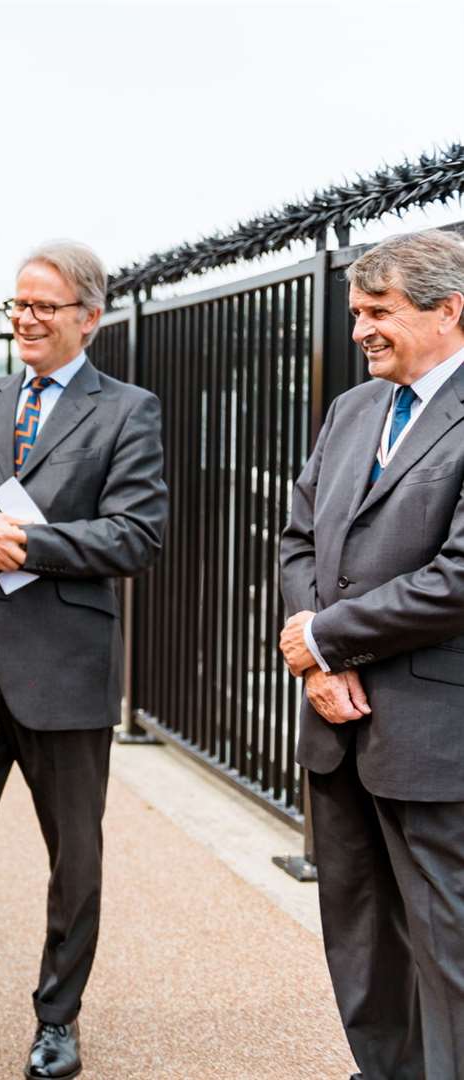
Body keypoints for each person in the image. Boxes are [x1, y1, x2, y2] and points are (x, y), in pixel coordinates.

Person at [0, 241, 167, 1080]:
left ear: (88, 318)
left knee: (76, 859)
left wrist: (19, 542)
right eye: (15, 307)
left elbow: (135, 534)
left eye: (43, 307)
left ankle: (57, 1019)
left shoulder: (128, 410)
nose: (24, 320)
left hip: (64, 672)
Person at [278, 229, 464, 1080]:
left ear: (449, 310)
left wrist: (326, 636)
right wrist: (319, 661)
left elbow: (458, 578)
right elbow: (298, 540)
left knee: (447, 942)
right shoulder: (351, 410)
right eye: (357, 312)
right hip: (336, 725)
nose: (361, 330)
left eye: (380, 312)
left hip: (434, 735)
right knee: (355, 930)